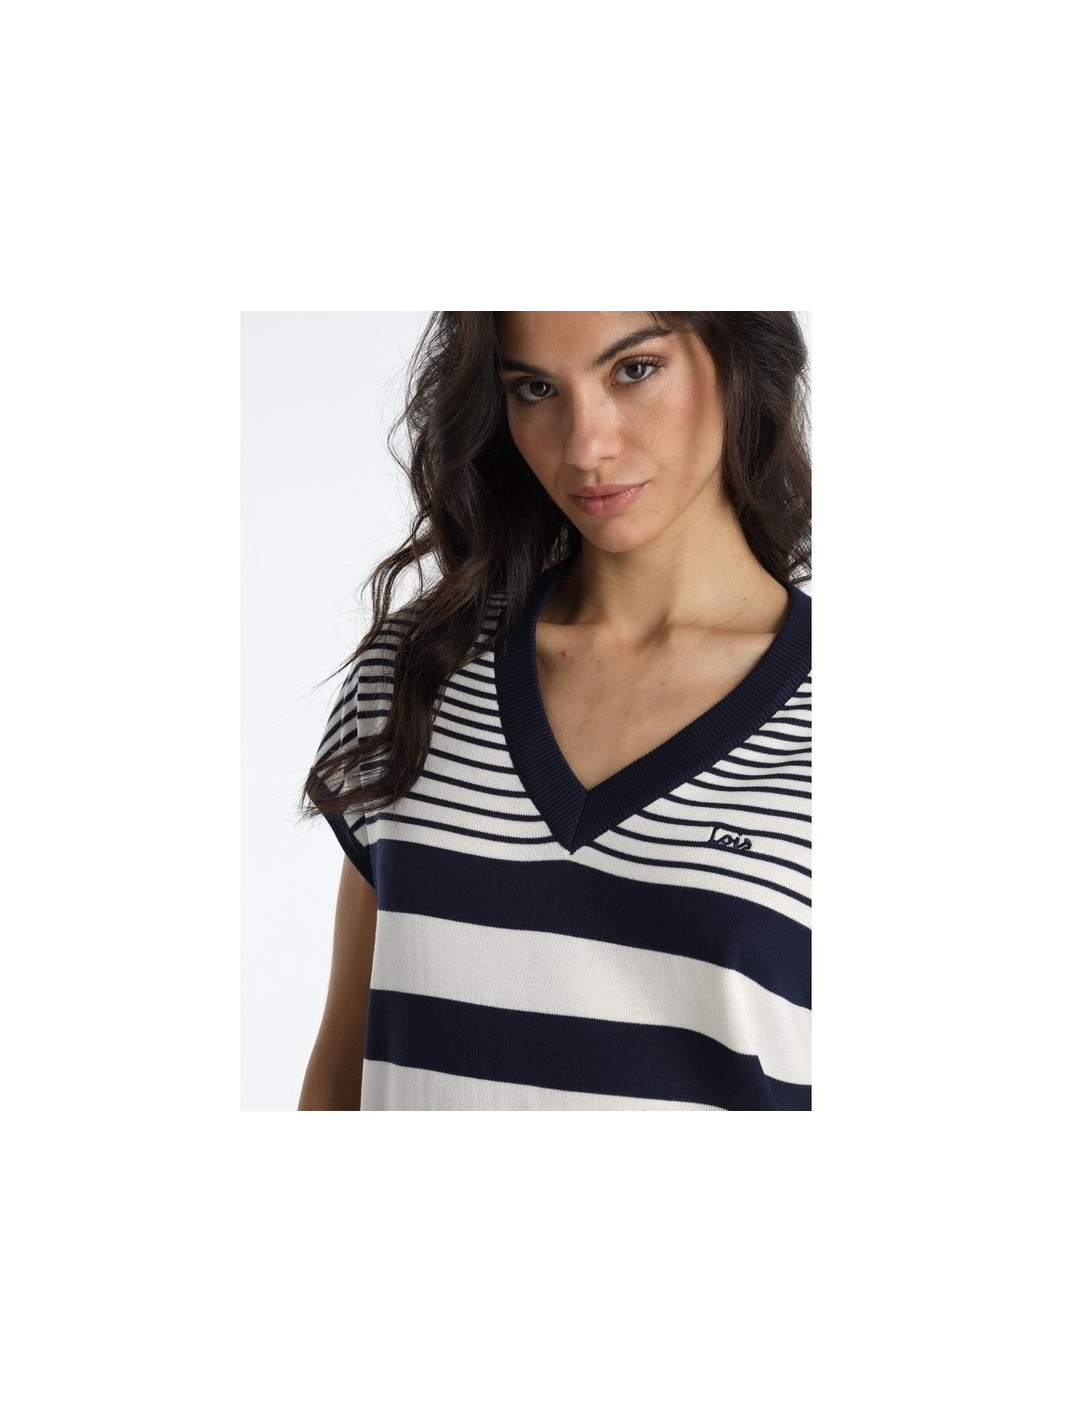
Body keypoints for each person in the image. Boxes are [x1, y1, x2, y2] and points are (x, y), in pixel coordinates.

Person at [297, 311, 811, 1111]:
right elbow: (341, 1072)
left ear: (738, 356)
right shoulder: (416, 673)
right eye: (535, 390)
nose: (585, 446)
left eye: (634, 370)